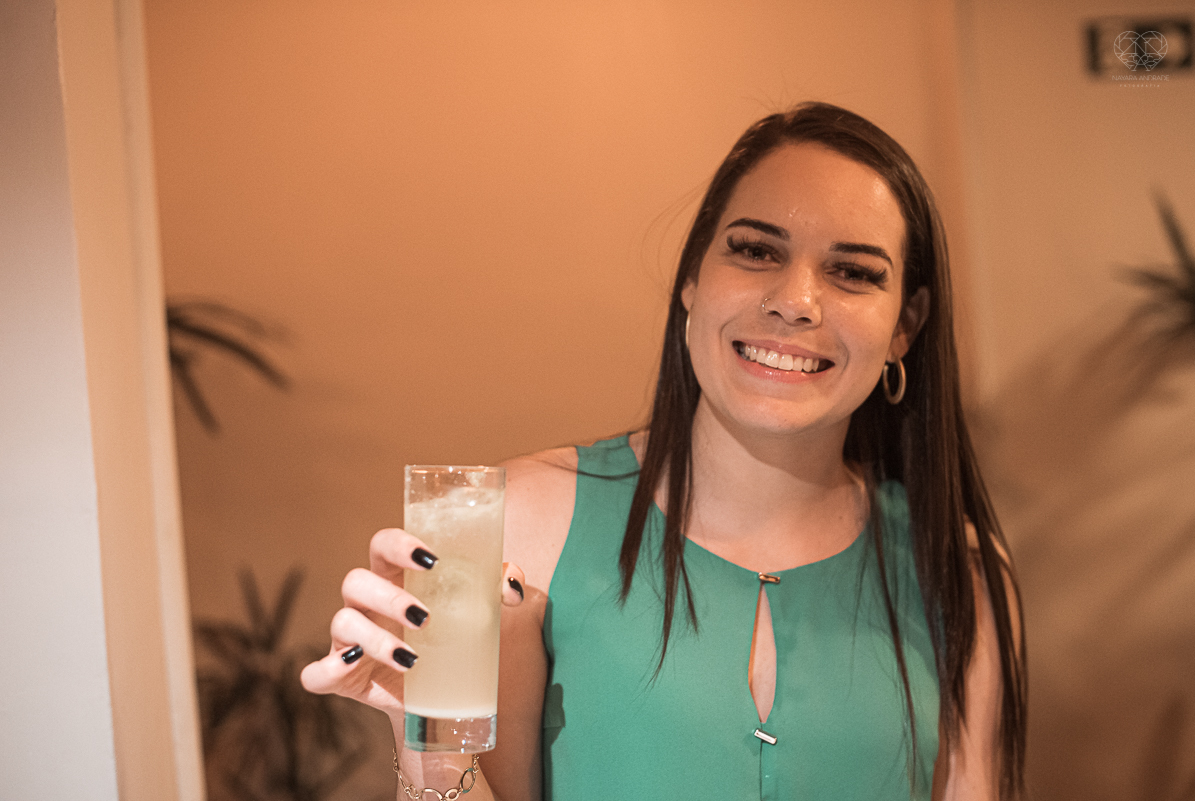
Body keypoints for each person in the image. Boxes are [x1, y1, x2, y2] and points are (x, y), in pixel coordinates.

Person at [300, 102, 1027, 800]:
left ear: (905, 325)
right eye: (756, 250)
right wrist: (425, 738)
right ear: (692, 277)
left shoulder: (957, 571)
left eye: (854, 272)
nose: (796, 300)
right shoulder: (520, 523)